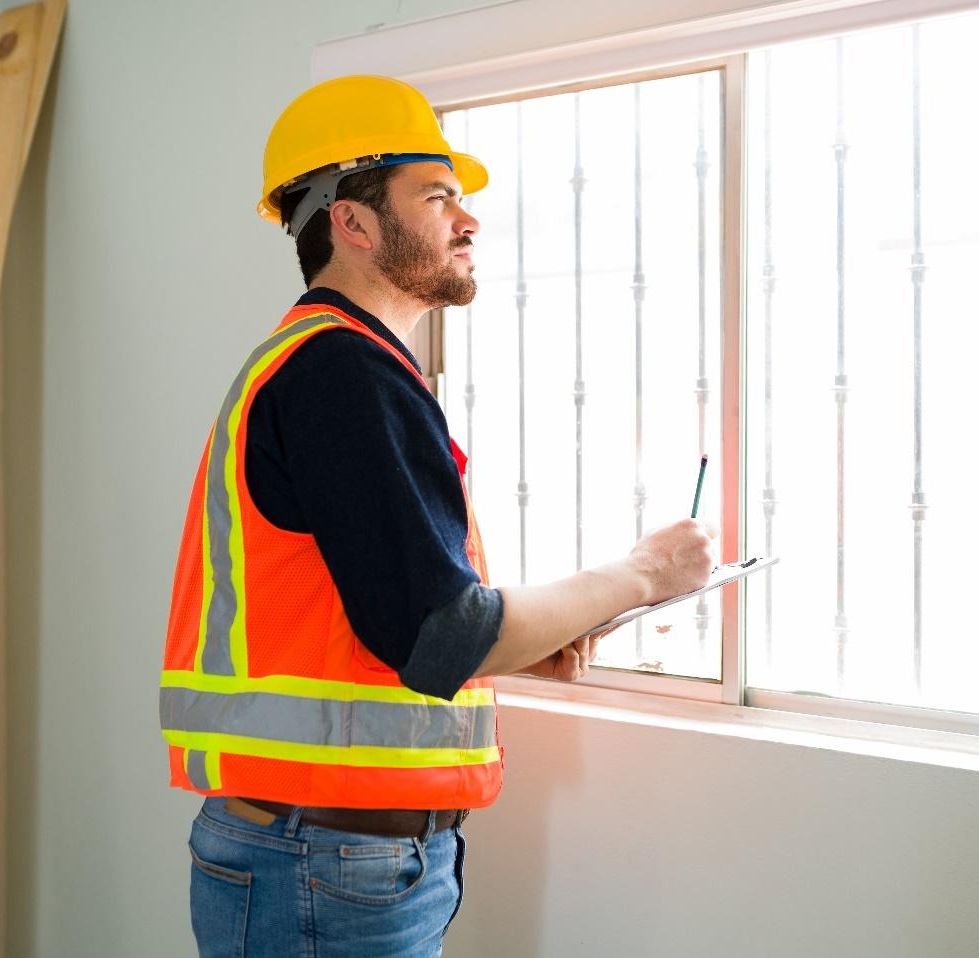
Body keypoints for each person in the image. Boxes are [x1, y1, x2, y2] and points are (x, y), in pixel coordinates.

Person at [158, 75, 718, 957]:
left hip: (324, 855)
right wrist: (645, 573)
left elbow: (377, 625)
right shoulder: (340, 375)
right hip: (326, 864)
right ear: (352, 221)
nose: (469, 221)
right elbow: (435, 632)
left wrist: (524, 648)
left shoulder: (336, 367)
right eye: (438, 194)